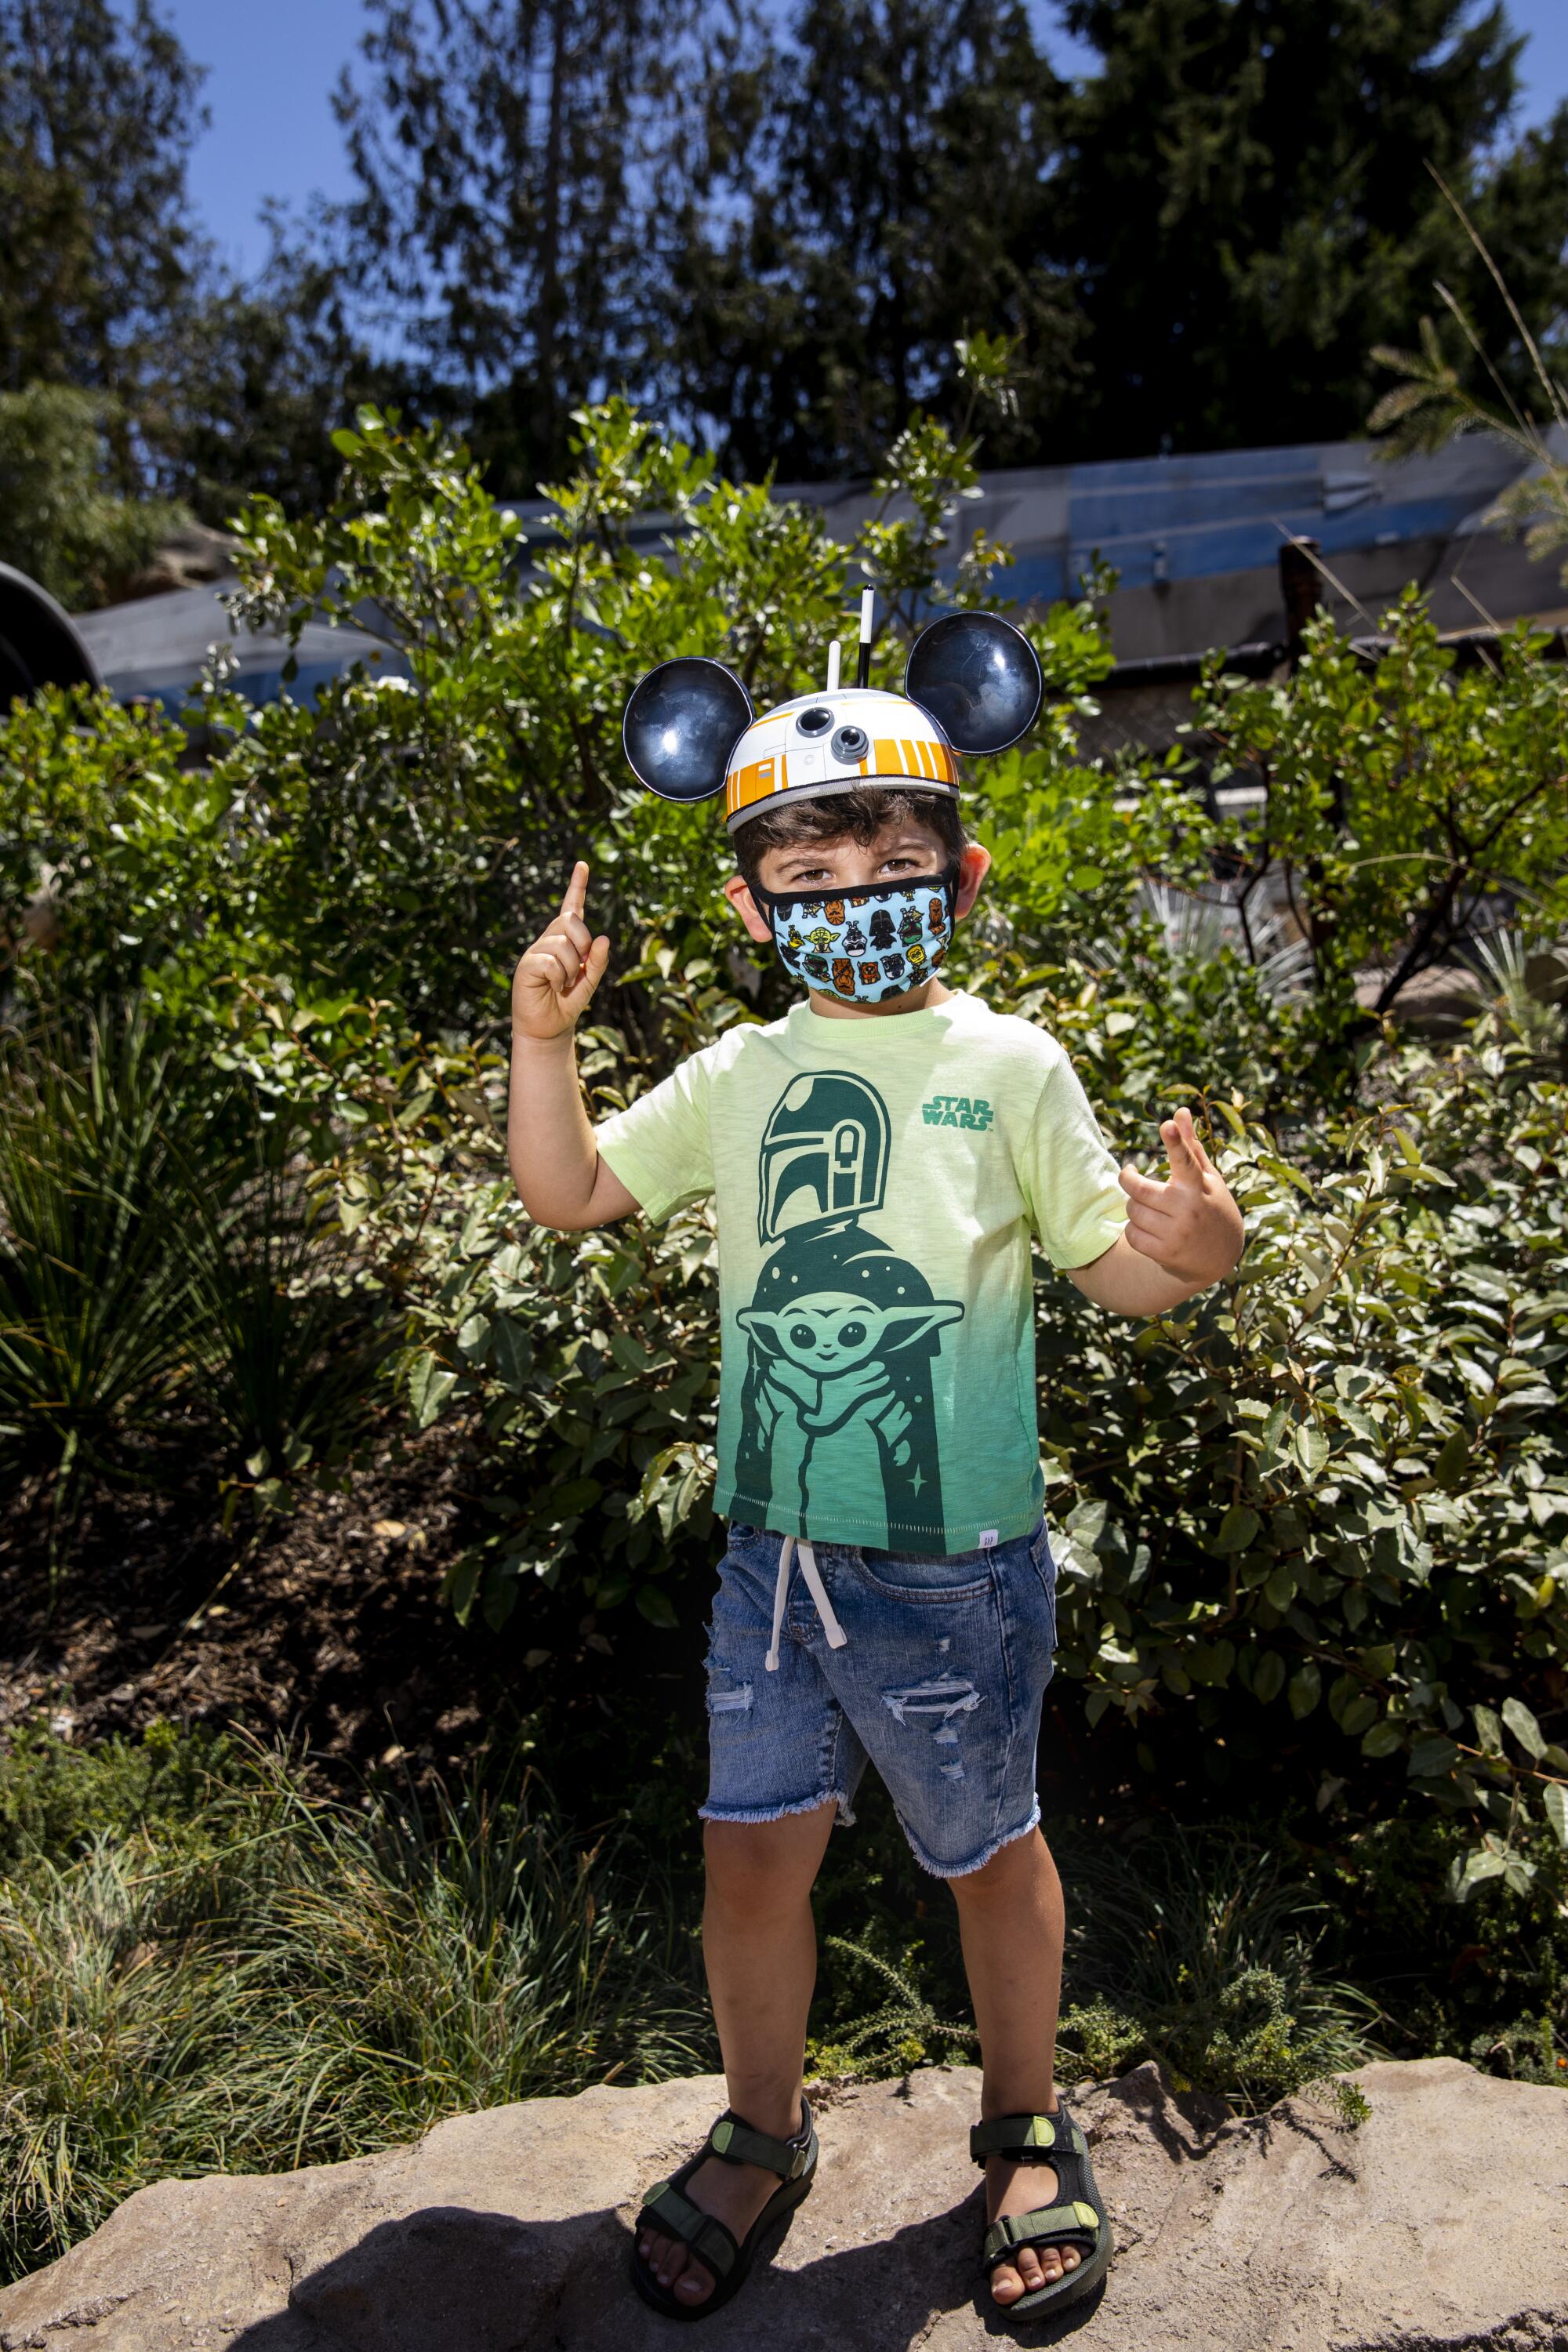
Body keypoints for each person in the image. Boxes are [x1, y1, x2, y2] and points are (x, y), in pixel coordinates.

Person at [508, 781, 1243, 2325]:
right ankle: (765, 2133)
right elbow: (570, 1192)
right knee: (749, 1853)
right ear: (751, 910)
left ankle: (1025, 2126)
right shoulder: (740, 1074)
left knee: (986, 1849)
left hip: (954, 1566)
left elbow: (1110, 1266)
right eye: (811, 876)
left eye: (895, 869)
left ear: (960, 879)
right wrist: (544, 1039)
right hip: (772, 1557)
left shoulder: (1011, 1064)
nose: (857, 900)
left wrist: (1188, 1266)